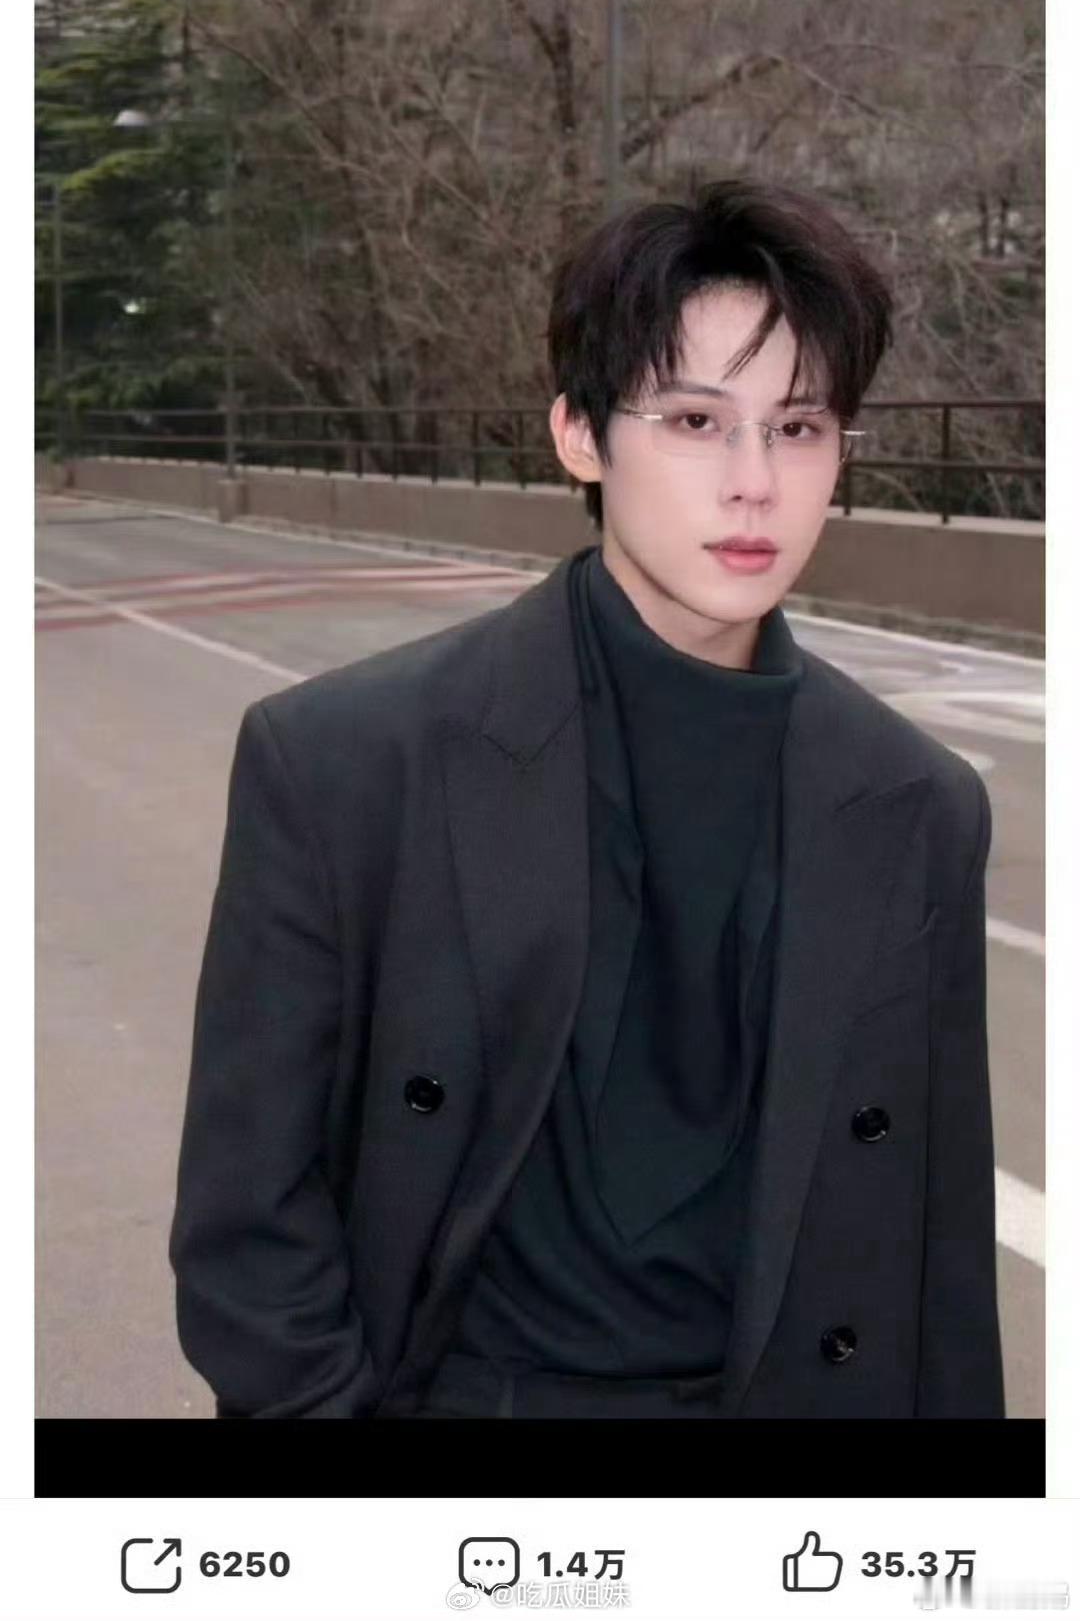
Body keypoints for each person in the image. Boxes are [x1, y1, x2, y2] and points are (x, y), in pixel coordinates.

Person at [168, 179, 1004, 1421]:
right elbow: (248, 1222)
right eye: (694, 420)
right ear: (578, 434)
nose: (755, 484)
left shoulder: (917, 807)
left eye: (799, 427)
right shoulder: (347, 764)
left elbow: (938, 1263)